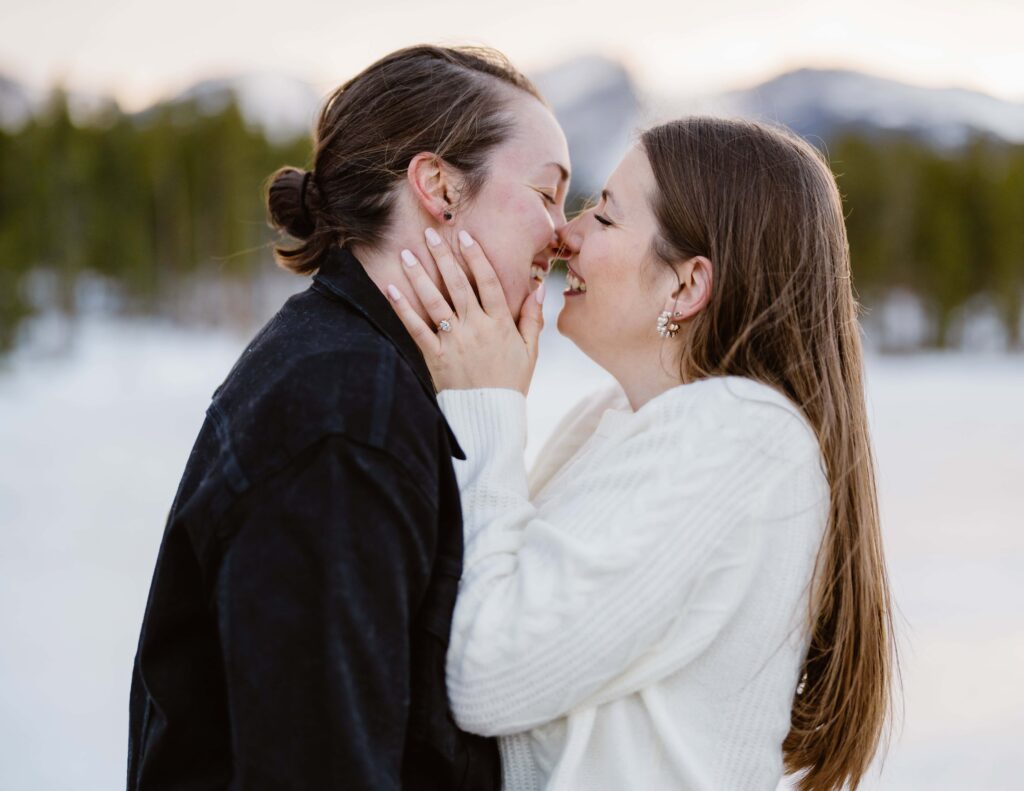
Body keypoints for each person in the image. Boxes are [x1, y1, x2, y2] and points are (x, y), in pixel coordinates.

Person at [388, 117, 895, 791]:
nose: (565, 234)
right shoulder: (619, 421)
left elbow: (487, 672)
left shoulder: (740, 437)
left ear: (686, 286)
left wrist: (487, 405)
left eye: (604, 215)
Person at [127, 44, 569, 791]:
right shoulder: (344, 413)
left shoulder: (365, 374)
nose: (562, 233)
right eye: (548, 193)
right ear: (439, 187)